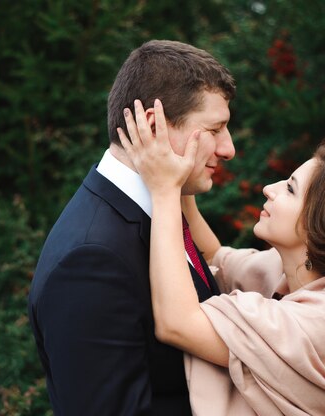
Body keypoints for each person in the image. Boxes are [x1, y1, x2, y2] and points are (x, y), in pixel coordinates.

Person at [117, 98, 325, 415]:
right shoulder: (290, 275)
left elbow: (177, 324)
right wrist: (182, 177)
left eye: (290, 189)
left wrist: (164, 190)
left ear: (321, 226)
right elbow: (213, 254)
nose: (269, 189)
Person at [27, 40, 237, 415]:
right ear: (153, 126)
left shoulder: (160, 213)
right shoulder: (91, 260)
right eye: (215, 129)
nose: (228, 148)